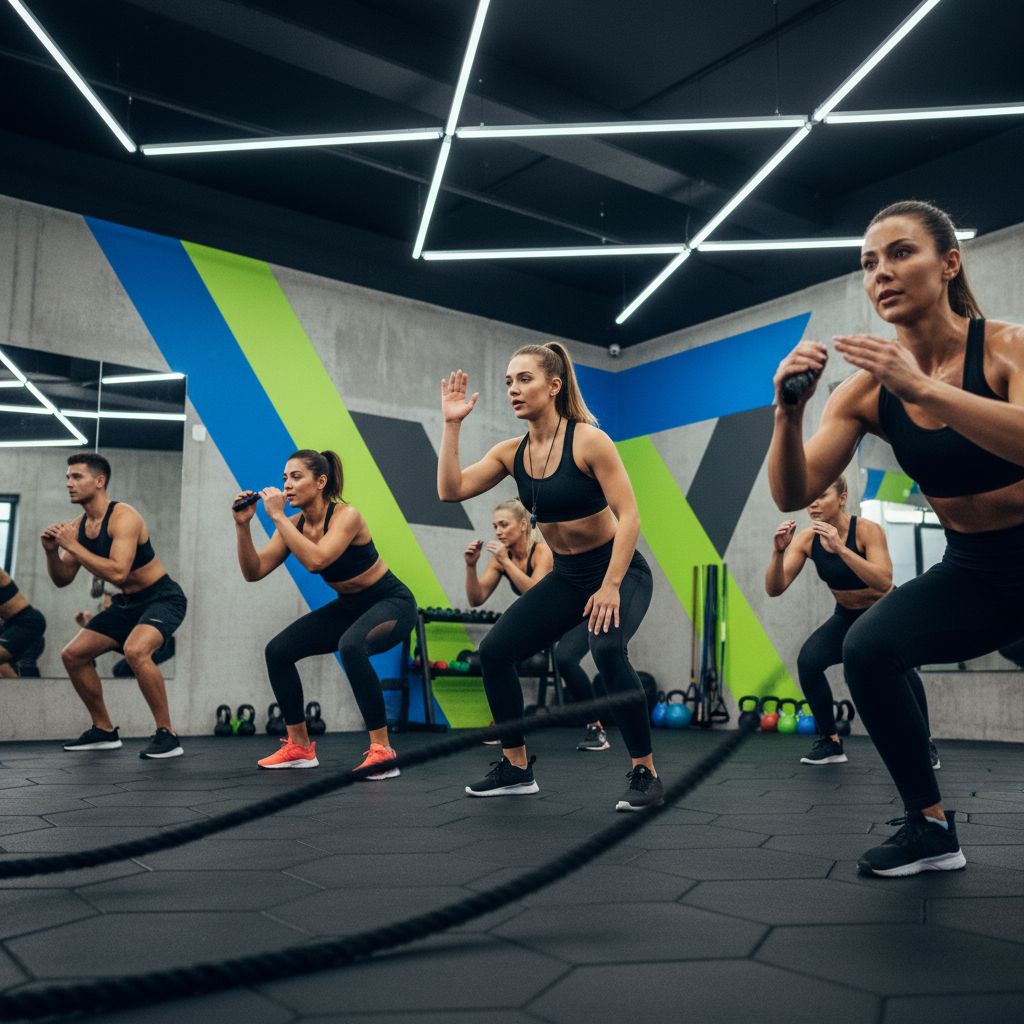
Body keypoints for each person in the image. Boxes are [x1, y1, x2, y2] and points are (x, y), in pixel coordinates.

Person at [768, 199, 1024, 877]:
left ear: (949, 263)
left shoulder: (1006, 348)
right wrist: (786, 417)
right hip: (974, 570)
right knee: (870, 648)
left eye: (900, 253)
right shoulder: (863, 392)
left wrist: (923, 388)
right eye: (868, 263)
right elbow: (792, 492)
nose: (881, 272)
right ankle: (931, 826)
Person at [438, 342, 659, 811]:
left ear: (554, 386)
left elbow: (631, 517)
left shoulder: (589, 441)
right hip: (569, 576)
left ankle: (646, 772)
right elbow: (450, 490)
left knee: (605, 649)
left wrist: (612, 586)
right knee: (495, 651)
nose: (513, 390)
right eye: (508, 382)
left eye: (525, 379)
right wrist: (452, 424)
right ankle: (516, 767)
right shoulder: (509, 453)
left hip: (619, 570)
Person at [234, 449, 417, 776]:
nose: (287, 485)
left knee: (352, 646)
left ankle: (382, 750)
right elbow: (254, 571)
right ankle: (300, 746)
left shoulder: (347, 516)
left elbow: (317, 560)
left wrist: (276, 517)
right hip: (350, 607)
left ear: (321, 482)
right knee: (278, 651)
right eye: (284, 478)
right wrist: (243, 527)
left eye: (296, 477)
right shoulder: (294, 524)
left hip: (391, 603)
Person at [765, 475, 938, 768]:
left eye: (822, 495)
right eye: (810, 497)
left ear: (842, 499)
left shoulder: (867, 531)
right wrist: (778, 551)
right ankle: (830, 742)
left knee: (902, 670)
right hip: (846, 616)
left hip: (885, 613)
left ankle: (924, 744)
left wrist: (841, 549)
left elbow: (884, 582)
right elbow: (774, 588)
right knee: (809, 662)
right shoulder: (807, 540)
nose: (813, 503)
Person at [42, 453, 187, 758]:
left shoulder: (124, 517)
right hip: (126, 603)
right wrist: (52, 553)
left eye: (76, 477)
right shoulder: (79, 526)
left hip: (162, 597)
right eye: (67, 477)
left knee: (136, 650)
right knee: (73, 655)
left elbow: (118, 571)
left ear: (99, 481)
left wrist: (74, 547)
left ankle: (167, 734)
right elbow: (62, 579)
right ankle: (104, 730)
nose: (69, 483)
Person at [466, 497, 609, 751]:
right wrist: (471, 566)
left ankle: (596, 727)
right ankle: (506, 724)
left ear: (523, 525)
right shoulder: (501, 557)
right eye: (495, 526)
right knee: (503, 652)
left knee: (565, 658)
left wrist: (507, 563)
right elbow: (476, 598)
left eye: (503, 524)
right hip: (551, 615)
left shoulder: (542, 551)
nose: (498, 531)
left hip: (581, 610)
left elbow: (535, 592)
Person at [0, 568, 46, 679]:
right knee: (3, 665)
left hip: (27, 623)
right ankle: (18, 693)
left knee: (24, 664)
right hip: (9, 626)